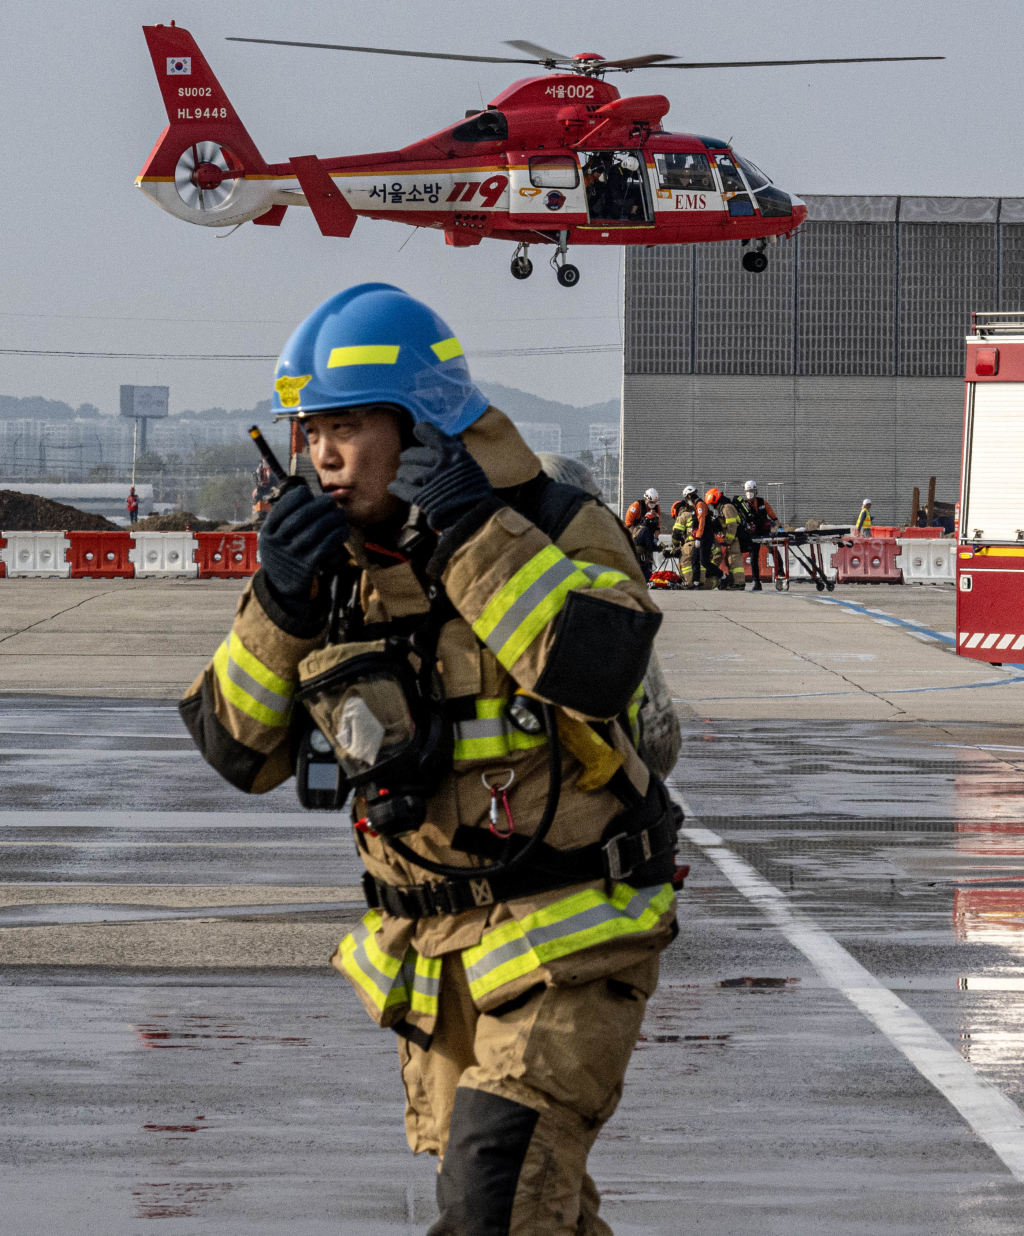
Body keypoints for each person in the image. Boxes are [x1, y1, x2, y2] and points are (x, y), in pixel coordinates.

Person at [179, 283, 680, 1236]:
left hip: (573, 933)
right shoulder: (331, 570)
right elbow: (236, 750)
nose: (322, 454)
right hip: (439, 957)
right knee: (536, 1210)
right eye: (309, 430)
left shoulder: (552, 521)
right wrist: (280, 602)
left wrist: (472, 533)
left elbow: (602, 665)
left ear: (421, 426)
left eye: (348, 425)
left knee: (494, 1194)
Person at [735, 480, 778, 592]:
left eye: (751, 490)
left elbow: (772, 515)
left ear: (755, 491)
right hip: (753, 534)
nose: (749, 493)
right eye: (747, 491)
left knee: (774, 551)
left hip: (765, 532)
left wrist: (778, 526)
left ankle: (781, 572)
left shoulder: (762, 502)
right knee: (753, 558)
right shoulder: (743, 505)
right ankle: (757, 582)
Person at [624, 487, 661, 581]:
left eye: (655, 502)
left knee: (648, 559)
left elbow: (657, 527)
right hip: (637, 537)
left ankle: (647, 579)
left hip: (648, 536)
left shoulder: (656, 509)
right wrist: (637, 537)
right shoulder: (636, 506)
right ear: (646, 499)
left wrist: (655, 539)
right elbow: (628, 524)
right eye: (651, 502)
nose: (653, 504)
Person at [671, 485, 702, 588]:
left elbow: (676, 534)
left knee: (685, 562)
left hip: (691, 543)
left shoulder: (682, 516)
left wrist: (675, 545)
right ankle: (700, 582)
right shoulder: (695, 513)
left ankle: (689, 583)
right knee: (699, 562)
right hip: (701, 541)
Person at [713, 491, 745, 590]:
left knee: (734, 560)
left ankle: (739, 583)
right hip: (732, 539)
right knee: (730, 560)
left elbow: (731, 525)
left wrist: (728, 539)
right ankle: (733, 582)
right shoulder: (723, 508)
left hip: (734, 539)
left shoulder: (727, 508)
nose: (712, 506)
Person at [700, 489, 726, 588]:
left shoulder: (708, 533)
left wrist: (711, 569)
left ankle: (722, 579)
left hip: (710, 568)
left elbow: (717, 554)